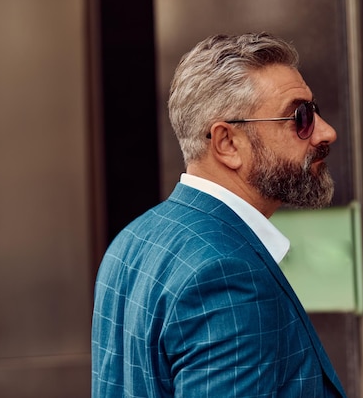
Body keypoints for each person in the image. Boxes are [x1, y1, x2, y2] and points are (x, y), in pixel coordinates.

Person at [91, 32, 347, 397]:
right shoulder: (226, 273)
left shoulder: (133, 240)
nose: (326, 132)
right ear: (227, 143)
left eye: (315, 110)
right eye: (300, 116)